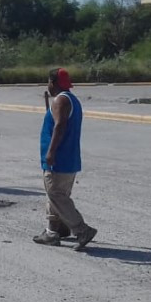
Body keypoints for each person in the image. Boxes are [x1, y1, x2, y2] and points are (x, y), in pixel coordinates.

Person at [33, 67, 97, 250]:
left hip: (59, 159)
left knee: (56, 195)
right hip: (69, 158)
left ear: (52, 82)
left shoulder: (60, 100)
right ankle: (53, 232)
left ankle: (81, 229)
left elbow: (59, 126)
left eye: (48, 81)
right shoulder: (72, 100)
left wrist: (51, 152)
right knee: (55, 195)